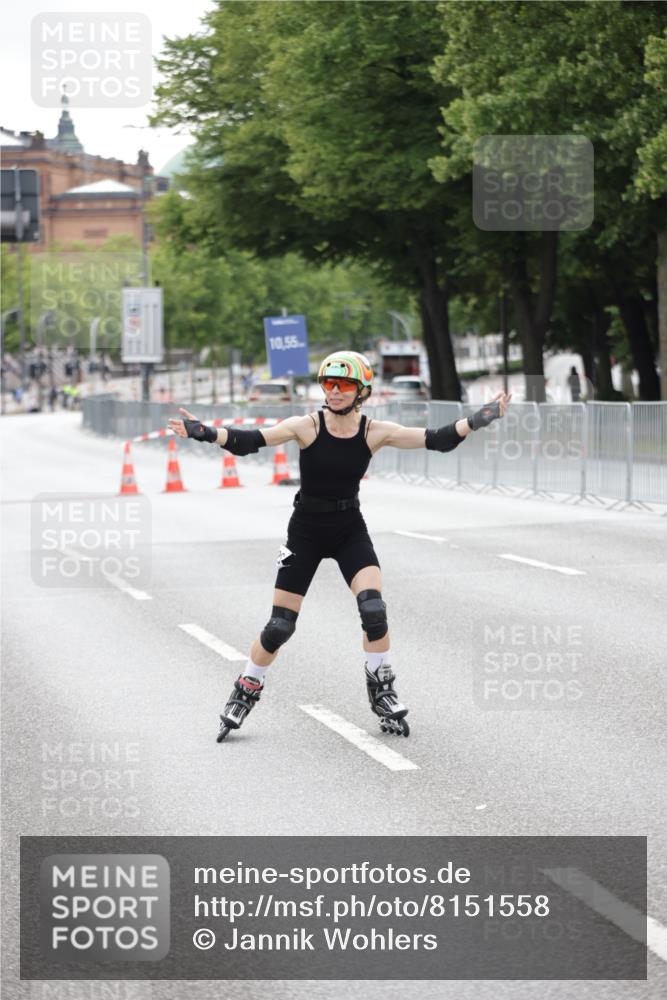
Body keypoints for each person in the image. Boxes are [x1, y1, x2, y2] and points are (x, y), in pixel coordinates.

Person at [168, 350, 511, 743]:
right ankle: (246, 687)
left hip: (349, 528)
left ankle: (382, 692)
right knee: (280, 626)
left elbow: (438, 439)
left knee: (374, 610)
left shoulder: (374, 431)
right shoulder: (307, 426)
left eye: (344, 384)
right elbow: (250, 441)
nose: (333, 390)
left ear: (361, 391)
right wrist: (204, 432)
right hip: (306, 531)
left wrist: (481, 418)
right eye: (328, 383)